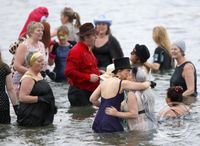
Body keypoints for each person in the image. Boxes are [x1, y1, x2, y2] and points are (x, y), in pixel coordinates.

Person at [90, 57, 150, 133]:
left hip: (98, 120)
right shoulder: (122, 83)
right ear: (119, 71)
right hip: (110, 121)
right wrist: (149, 82)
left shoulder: (104, 82)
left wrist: (104, 106)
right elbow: (142, 86)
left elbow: (92, 99)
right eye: (127, 71)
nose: (129, 73)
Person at [105, 67, 157, 131]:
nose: (127, 76)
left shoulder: (132, 93)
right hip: (149, 125)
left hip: (137, 128)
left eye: (129, 75)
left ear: (134, 79)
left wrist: (116, 113)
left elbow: (133, 114)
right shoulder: (147, 91)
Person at [64, 22, 100, 106]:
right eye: (94, 35)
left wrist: (99, 72)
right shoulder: (76, 51)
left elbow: (86, 67)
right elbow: (68, 72)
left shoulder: (87, 49)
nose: (96, 37)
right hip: (79, 93)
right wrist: (88, 77)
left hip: (87, 92)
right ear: (86, 37)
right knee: (81, 118)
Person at [17, 51, 56, 127]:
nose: (42, 63)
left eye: (43, 61)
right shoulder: (28, 78)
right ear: (31, 63)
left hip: (40, 117)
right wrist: (40, 99)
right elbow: (22, 97)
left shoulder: (38, 74)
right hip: (31, 118)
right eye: (39, 61)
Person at [12, 22, 48, 96]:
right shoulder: (24, 46)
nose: (41, 32)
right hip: (22, 80)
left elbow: (42, 62)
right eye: (38, 30)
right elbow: (17, 66)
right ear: (31, 32)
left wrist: (47, 71)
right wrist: (33, 73)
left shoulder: (41, 44)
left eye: (42, 30)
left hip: (37, 79)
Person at [0, 49, 18, 124]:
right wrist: (16, 107)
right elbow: (10, 89)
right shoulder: (4, 67)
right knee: (5, 131)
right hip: (2, 103)